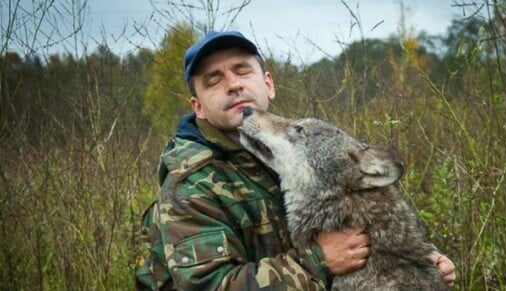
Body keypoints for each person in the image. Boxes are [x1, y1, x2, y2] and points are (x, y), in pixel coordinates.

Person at [135, 31, 455, 290]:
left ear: (269, 83)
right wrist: (319, 261)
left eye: (242, 70)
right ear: (198, 107)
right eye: (213, 80)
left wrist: (421, 267)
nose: (233, 84)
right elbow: (209, 285)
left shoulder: (291, 151)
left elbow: (355, 221)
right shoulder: (189, 188)